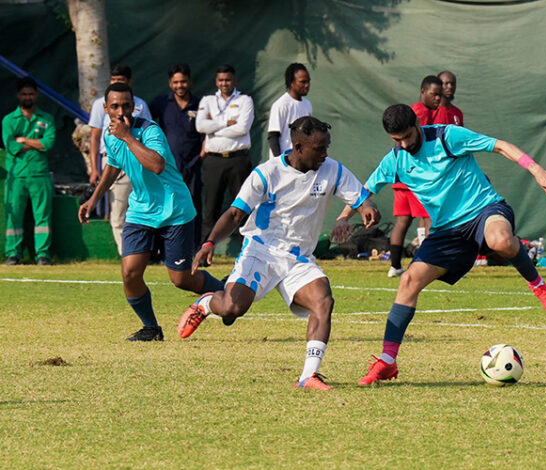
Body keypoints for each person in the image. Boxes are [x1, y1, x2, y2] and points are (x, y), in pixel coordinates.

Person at [337, 104, 546, 386]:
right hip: (447, 231)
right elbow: (364, 191)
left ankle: (538, 285)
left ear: (417, 123)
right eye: (397, 140)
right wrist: (343, 217)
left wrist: (537, 171)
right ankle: (387, 360)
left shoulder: (447, 137)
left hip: (484, 210)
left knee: (501, 240)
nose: (405, 144)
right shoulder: (395, 160)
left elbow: (501, 146)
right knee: (408, 281)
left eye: (408, 136)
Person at [177, 116, 380, 391]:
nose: (325, 154)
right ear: (298, 147)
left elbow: (359, 197)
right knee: (232, 309)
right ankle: (206, 304)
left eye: (326, 147)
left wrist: (367, 208)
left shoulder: (332, 169)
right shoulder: (267, 173)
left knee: (323, 301)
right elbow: (236, 213)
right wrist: (210, 242)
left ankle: (309, 376)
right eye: (319, 148)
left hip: (298, 259)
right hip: (261, 250)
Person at [79, 83, 224, 341]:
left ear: (134, 106)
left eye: (126, 105)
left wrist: (128, 136)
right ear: (105, 109)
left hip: (174, 211)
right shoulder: (112, 136)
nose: (121, 110)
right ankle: (151, 328)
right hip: (141, 212)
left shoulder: (148, 130)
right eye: (115, 106)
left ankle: (226, 291)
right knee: (130, 273)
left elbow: (156, 165)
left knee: (181, 280)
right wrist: (94, 199)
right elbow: (113, 166)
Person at [88, 64, 152, 255]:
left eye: (121, 81)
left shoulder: (141, 105)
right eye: (114, 81)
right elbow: (95, 136)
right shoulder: (100, 105)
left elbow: (148, 135)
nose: (121, 111)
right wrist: (94, 167)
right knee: (118, 214)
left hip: (138, 160)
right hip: (112, 160)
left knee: (142, 209)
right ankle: (128, 256)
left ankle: (145, 253)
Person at [386, 76, 444, 278]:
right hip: (412, 177)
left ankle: (395, 265)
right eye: (434, 94)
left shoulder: (433, 111)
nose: (438, 98)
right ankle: (427, 264)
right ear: (423, 92)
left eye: (440, 94)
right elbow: (417, 143)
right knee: (428, 219)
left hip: (401, 178)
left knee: (403, 221)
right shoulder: (418, 113)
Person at [196, 64, 254, 241]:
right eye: (221, 80)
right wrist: (226, 123)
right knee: (211, 208)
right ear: (216, 81)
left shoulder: (245, 100)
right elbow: (200, 126)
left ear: (235, 80)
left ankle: (247, 250)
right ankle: (205, 251)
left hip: (238, 159)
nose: (224, 83)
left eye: (228, 80)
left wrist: (213, 128)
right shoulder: (208, 101)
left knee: (243, 206)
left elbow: (242, 129)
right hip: (214, 160)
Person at [2, 77, 55, 265]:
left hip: (39, 174)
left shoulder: (46, 119)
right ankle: (13, 253)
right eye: (24, 93)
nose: (28, 97)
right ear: (18, 95)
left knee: (42, 217)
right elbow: (10, 146)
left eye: (31, 93)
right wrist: (35, 144)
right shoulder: (9, 120)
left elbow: (48, 144)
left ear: (37, 95)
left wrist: (24, 140)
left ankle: (42, 254)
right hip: (16, 176)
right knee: (14, 216)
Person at [150, 63, 204, 247]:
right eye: (176, 82)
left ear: (190, 82)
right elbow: (147, 126)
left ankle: (195, 249)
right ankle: (163, 249)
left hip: (193, 165)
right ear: (170, 83)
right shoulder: (161, 103)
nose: (180, 85)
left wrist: (203, 152)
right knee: (165, 206)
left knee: (192, 206)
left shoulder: (200, 104)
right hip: (167, 166)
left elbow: (208, 132)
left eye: (183, 82)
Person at [267, 63, 313, 159]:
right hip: (285, 161)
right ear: (291, 83)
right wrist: (280, 162)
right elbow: (273, 136)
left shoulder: (307, 104)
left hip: (301, 162)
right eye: (303, 82)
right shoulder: (281, 104)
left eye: (308, 81)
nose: (307, 85)